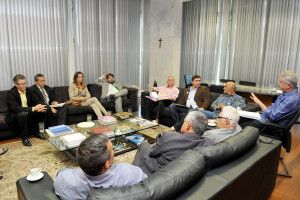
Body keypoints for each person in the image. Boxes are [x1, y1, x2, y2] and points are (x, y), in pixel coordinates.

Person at [54, 134, 147, 200]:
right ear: (106, 164)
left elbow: (61, 177)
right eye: (112, 150)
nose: (113, 152)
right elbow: (146, 185)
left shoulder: (63, 180)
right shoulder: (129, 172)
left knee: (62, 171)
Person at [132, 111, 213, 175]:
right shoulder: (209, 143)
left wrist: (159, 144)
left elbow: (153, 153)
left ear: (188, 126)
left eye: (183, 122)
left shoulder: (169, 136)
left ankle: (134, 169)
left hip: (157, 172)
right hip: (176, 172)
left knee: (144, 145)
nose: (182, 124)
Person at [241, 71, 300, 136]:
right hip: (266, 120)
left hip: (269, 127)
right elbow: (272, 109)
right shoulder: (286, 95)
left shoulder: (291, 100)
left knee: (239, 126)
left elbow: (273, 116)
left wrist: (260, 103)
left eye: (280, 82)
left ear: (288, 85)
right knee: (241, 119)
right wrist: (260, 104)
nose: (278, 83)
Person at [169, 81, 246, 131]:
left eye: (225, 86)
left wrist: (224, 107)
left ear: (230, 90)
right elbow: (213, 105)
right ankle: (181, 128)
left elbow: (239, 107)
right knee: (194, 111)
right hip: (213, 113)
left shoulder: (238, 98)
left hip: (221, 117)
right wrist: (217, 106)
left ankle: (175, 127)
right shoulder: (222, 96)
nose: (223, 88)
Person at [6, 74, 47, 147]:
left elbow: (36, 101)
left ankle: (37, 132)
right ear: (15, 84)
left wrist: (40, 106)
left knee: (43, 109)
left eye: (25, 83)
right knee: (23, 114)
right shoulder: (11, 93)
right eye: (21, 84)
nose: (24, 85)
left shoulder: (29, 90)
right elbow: (15, 109)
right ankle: (24, 138)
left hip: (28, 112)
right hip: (16, 114)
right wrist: (33, 108)